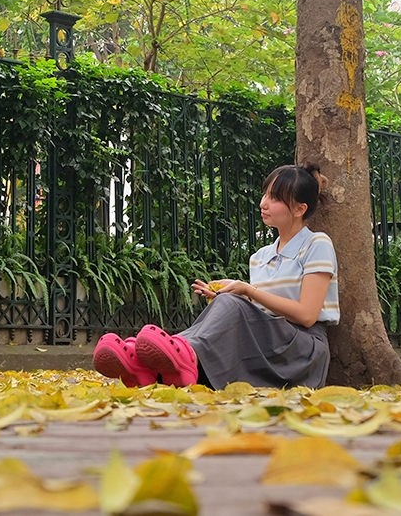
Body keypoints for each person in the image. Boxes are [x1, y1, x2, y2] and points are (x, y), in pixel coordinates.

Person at [92, 165, 338, 390]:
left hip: (301, 350)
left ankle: (182, 352)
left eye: (274, 198)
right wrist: (228, 294)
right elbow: (261, 312)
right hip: (267, 343)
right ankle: (146, 366)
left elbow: (307, 316)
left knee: (233, 303)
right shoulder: (260, 256)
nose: (263, 203)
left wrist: (247, 292)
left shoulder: (317, 244)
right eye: (265, 194)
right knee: (227, 302)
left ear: (299, 208)